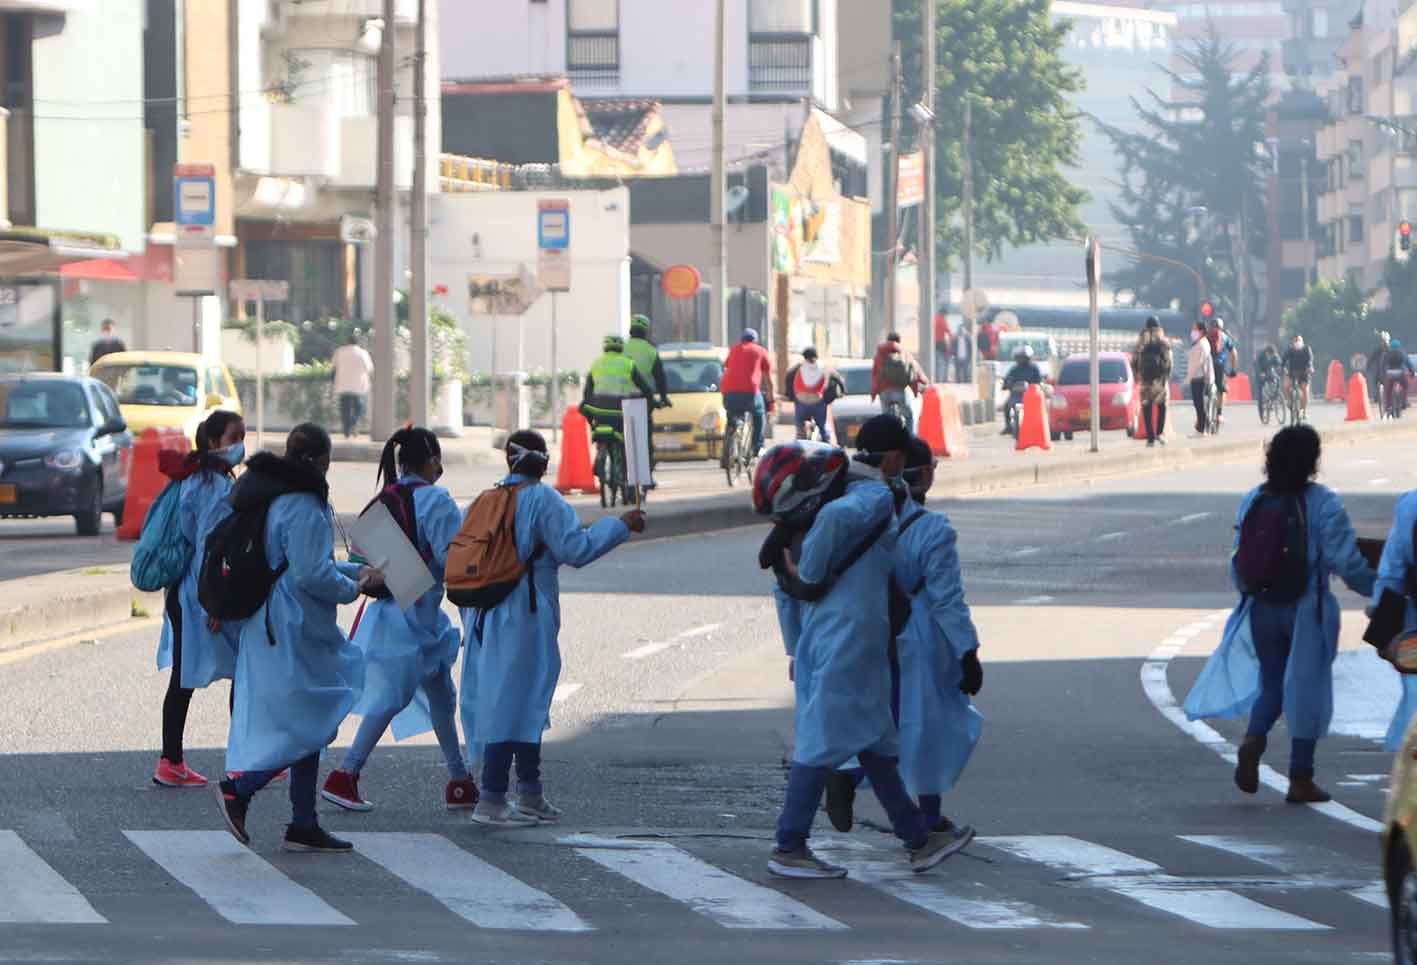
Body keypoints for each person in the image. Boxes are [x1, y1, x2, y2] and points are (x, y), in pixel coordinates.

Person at [755, 418, 969, 879]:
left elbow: (798, 583)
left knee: (877, 743)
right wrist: (805, 572)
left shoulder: (858, 497)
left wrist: (801, 579)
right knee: (819, 744)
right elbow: (810, 569)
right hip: (846, 642)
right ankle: (789, 845)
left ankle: (918, 838)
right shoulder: (866, 499)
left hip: (855, 641)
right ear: (893, 460)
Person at [460, 431, 645, 827]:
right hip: (524, 612)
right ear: (544, 463)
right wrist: (620, 525)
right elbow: (575, 549)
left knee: (520, 698)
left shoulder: (484, 500)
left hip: (485, 613)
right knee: (515, 701)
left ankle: (530, 792)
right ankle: (492, 797)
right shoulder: (544, 499)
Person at [1184, 424, 1375, 804]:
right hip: (1309, 608)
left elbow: (1240, 557)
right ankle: (1300, 777)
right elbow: (1346, 561)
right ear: (1312, 462)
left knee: (1272, 683)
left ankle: (1254, 739)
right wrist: (1381, 590)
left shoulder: (1255, 498)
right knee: (1307, 690)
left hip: (1262, 607)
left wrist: (1250, 593)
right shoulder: (1323, 502)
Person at [217, 423, 381, 853]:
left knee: (309, 717)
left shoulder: (274, 496)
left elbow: (300, 564)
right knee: (309, 719)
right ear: (319, 461)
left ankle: (303, 820)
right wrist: (356, 586)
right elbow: (313, 574)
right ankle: (242, 789)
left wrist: (354, 573)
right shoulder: (305, 505)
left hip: (276, 618)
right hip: (295, 626)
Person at [821, 438, 983, 839]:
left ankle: (847, 773)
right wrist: (967, 651)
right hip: (916, 638)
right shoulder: (932, 530)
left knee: (876, 716)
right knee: (926, 724)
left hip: (860, 627)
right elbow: (948, 599)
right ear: (924, 475)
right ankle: (927, 815)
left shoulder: (851, 514)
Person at [321, 426, 477, 814]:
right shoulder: (437, 501)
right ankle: (345, 775)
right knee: (392, 698)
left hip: (398, 612)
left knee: (442, 694)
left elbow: (364, 563)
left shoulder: (382, 499)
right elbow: (450, 559)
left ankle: (460, 779)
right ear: (433, 461)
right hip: (413, 618)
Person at [151, 410, 247, 787]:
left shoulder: (202, 478)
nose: (240, 444)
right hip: (203, 593)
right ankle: (244, 759)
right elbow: (212, 545)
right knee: (243, 670)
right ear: (212, 443)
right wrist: (217, 604)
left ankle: (171, 761)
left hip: (189, 590)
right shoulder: (214, 487)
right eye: (233, 437)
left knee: (186, 673)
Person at [580, 334, 657, 438]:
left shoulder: (596, 363)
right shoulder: (628, 363)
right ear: (621, 348)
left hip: (599, 411)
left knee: (582, 408)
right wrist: (651, 400)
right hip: (620, 411)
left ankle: (594, 430)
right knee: (627, 438)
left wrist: (589, 412)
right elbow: (645, 388)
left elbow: (587, 392)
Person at [720, 328, 775, 456]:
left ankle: (728, 448)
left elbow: (727, 366)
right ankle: (757, 447)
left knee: (732, 414)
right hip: (749, 392)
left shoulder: (733, 349)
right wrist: (770, 397)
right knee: (759, 414)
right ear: (755, 340)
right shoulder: (760, 351)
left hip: (728, 391)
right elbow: (768, 379)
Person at [784, 347, 845, 443]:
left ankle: (800, 438)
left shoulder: (798, 367)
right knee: (822, 425)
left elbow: (788, 377)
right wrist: (842, 392)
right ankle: (826, 442)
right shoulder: (824, 368)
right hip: (818, 401)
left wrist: (789, 395)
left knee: (800, 424)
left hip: (801, 401)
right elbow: (839, 380)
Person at [871, 333, 928, 432]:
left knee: (886, 419)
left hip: (885, 392)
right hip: (901, 391)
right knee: (909, 416)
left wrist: (874, 393)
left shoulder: (879, 355)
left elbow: (875, 376)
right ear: (899, 341)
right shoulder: (905, 354)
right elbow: (915, 373)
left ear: (887, 340)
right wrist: (918, 388)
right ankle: (911, 441)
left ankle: (886, 440)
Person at [1132, 316, 1173, 447]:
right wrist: (1167, 375)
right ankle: (1160, 433)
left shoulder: (1141, 340)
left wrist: (1136, 375)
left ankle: (1150, 438)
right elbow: (1169, 360)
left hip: (1145, 380)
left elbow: (1134, 360)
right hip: (1159, 380)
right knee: (1161, 406)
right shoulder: (1162, 339)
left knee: (1146, 408)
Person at [333, 334, 374, 439]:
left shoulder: (340, 351)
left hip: (342, 385)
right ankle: (353, 422)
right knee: (359, 409)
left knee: (344, 410)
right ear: (358, 342)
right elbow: (369, 369)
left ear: (347, 341)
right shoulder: (362, 353)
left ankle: (347, 431)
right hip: (359, 387)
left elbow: (334, 367)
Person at [1000, 345, 1044, 436]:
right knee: (1006, 407)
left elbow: (1039, 381)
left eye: (1024, 358)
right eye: (1020, 358)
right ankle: (1008, 426)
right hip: (1016, 395)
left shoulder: (1034, 369)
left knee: (1040, 408)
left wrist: (1036, 386)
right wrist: (1006, 384)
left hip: (1030, 395)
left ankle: (1039, 426)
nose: (1022, 360)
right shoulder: (1014, 369)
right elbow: (1008, 379)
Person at [1207, 318, 1236, 427]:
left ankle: (1202, 413)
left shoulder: (1205, 336)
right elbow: (1234, 353)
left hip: (1207, 365)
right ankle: (1219, 414)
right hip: (1219, 366)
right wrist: (1233, 369)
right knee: (1220, 390)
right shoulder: (1225, 337)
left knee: (1204, 388)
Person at [1188, 322, 1216, 435]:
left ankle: (1201, 429)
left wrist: (1206, 376)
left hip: (1200, 378)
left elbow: (1203, 363)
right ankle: (1205, 427)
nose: (1193, 332)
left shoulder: (1202, 344)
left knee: (1199, 404)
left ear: (1201, 331)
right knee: (1198, 404)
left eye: (1195, 329)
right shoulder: (1199, 343)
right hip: (1197, 377)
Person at [1281, 334, 1315, 417]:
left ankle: (1304, 411)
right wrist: (1283, 369)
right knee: (1286, 386)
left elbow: (1310, 360)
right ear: (1293, 342)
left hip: (1304, 373)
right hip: (1292, 372)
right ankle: (1289, 400)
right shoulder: (1290, 350)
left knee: (1305, 391)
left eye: (1298, 340)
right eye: (1295, 341)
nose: (1297, 342)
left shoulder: (1307, 349)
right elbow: (1283, 361)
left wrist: (1310, 367)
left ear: (1302, 341)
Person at [1382, 338, 1415, 414]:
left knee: (1388, 390)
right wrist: (1412, 372)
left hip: (1389, 373)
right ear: (1399, 346)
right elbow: (1409, 364)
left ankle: (1388, 405)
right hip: (1400, 373)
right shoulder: (1402, 353)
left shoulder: (1387, 353)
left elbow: (1383, 365)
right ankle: (1404, 402)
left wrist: (1383, 374)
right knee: (1405, 386)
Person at [1254, 344, 1282, 413]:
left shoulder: (1275, 355)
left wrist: (1280, 369)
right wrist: (1260, 373)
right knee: (1260, 389)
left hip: (1269, 371)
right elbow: (1257, 365)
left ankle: (1274, 396)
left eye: (1272, 354)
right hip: (1260, 372)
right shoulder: (1260, 355)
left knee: (1276, 379)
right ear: (1266, 352)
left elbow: (1279, 363)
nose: (1271, 356)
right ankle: (1262, 406)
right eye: (1270, 354)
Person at [1369, 330, 1392, 404]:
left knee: (1377, 380)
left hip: (1384, 370)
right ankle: (1377, 395)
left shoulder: (1386, 349)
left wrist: (1368, 366)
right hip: (1382, 370)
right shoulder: (1382, 349)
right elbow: (1372, 358)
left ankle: (1377, 395)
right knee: (1377, 380)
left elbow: (1371, 358)